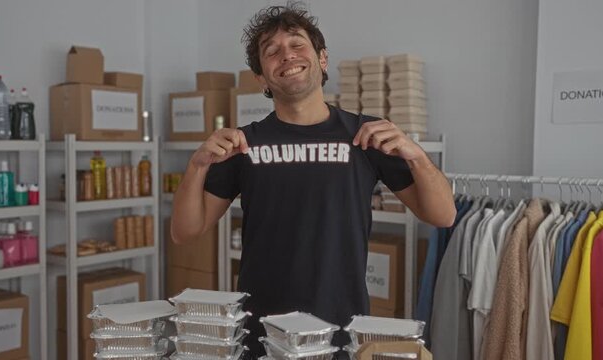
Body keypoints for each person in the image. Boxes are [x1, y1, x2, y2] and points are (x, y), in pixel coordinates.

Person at [171, 3, 456, 358]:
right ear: (261, 77)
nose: (286, 55)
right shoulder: (243, 145)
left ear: (322, 59)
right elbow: (184, 231)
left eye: (297, 44)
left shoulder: (365, 135)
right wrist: (197, 166)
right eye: (271, 52)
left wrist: (416, 155)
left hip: (341, 329)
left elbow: (443, 216)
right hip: (264, 332)